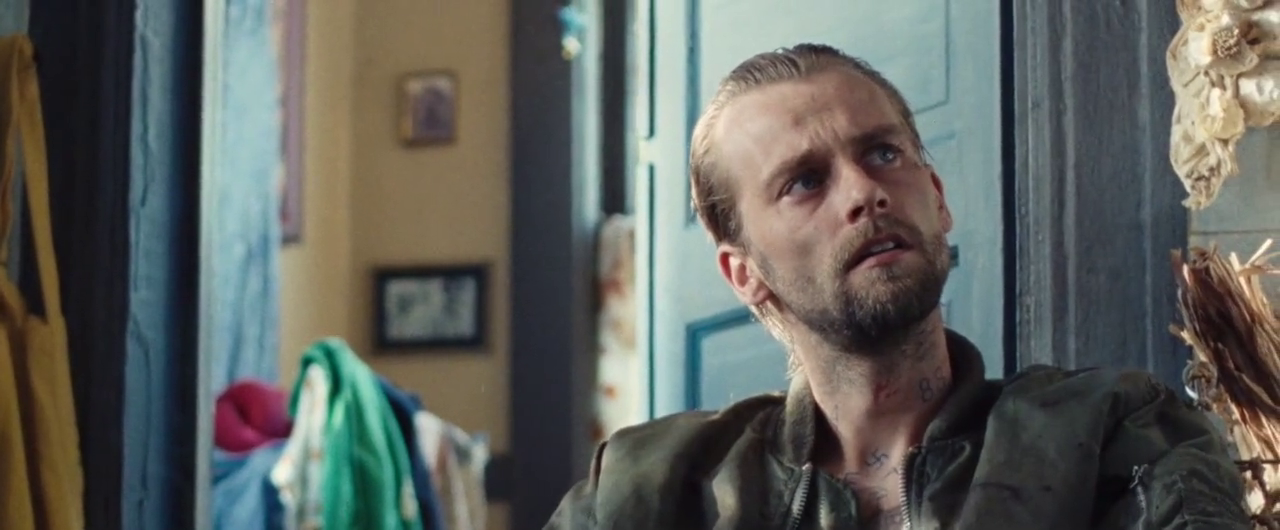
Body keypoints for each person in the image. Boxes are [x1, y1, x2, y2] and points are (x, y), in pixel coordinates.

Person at [544, 44, 1249, 529]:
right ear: (744, 272)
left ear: (936, 199)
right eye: (805, 182)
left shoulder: (1111, 432)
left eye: (883, 153)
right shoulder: (647, 488)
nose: (865, 192)